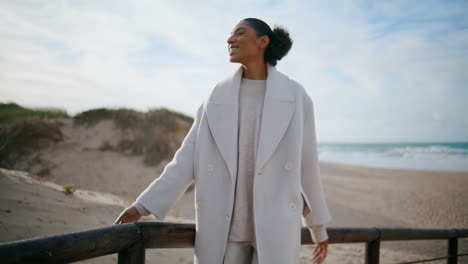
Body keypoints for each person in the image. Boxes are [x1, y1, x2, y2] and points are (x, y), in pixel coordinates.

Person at [115, 17, 332, 264]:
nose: (230, 39)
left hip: (278, 224)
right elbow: (187, 158)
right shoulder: (217, 96)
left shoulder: (296, 95)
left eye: (239, 33)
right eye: (230, 34)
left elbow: (307, 165)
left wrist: (318, 229)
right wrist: (144, 205)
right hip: (224, 226)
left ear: (263, 42)